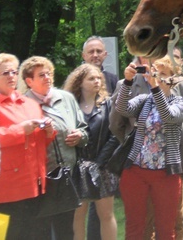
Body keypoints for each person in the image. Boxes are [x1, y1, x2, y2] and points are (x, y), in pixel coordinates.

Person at [0, 53, 54, 240]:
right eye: (5, 73)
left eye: (14, 72)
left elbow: (39, 144)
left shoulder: (28, 103)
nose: (12, 76)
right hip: (6, 189)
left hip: (35, 185)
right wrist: (21, 130)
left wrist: (48, 131)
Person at [115, 55, 183, 240]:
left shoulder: (179, 103)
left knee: (166, 230)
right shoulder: (144, 99)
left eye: (163, 74)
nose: (158, 77)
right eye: (156, 73)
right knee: (135, 227)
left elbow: (168, 116)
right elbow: (122, 108)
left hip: (166, 174)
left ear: (173, 78)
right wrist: (128, 81)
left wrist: (155, 87)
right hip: (136, 172)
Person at [19, 55, 89, 239]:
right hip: (39, 179)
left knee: (65, 229)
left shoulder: (66, 98)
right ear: (29, 80)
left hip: (67, 175)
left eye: (49, 73)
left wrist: (80, 136)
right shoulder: (22, 104)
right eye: (41, 75)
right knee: (40, 230)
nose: (48, 78)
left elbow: (84, 129)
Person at [63, 64, 120, 240]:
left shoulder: (108, 104)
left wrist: (100, 162)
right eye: (91, 78)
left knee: (106, 215)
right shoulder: (70, 106)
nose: (97, 81)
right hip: (76, 168)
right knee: (77, 216)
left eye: (98, 78)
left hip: (103, 166)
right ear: (79, 82)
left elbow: (116, 134)